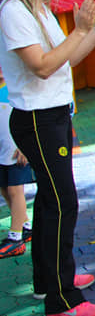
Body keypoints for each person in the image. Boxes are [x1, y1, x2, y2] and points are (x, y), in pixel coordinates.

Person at [0, 0, 95, 316]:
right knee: (63, 202)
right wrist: (80, 31)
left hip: (55, 115)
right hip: (37, 120)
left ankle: (50, 277)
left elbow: (67, 60)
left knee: (50, 201)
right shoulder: (13, 11)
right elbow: (41, 65)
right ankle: (61, 300)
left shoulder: (39, 9)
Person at [0, 67, 34, 259]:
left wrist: (24, 147)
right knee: (5, 189)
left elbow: (28, 118)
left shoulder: (15, 90)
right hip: (2, 151)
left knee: (15, 190)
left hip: (15, 151)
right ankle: (25, 225)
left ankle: (15, 239)